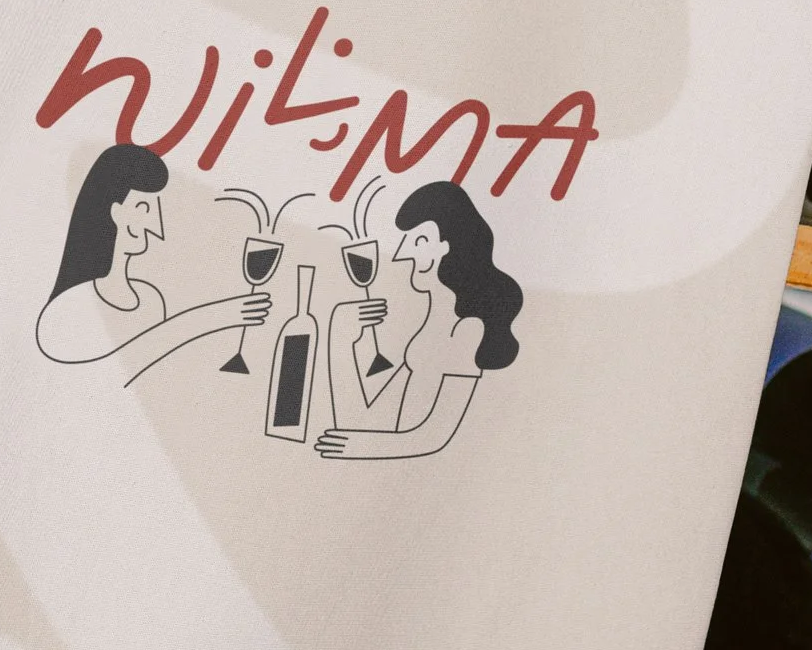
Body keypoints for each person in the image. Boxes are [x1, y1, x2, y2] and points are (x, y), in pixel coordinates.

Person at [317, 179, 521, 459]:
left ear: (450, 247)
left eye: (420, 241)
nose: (402, 254)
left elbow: (434, 436)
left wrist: (358, 447)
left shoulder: (467, 329)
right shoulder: (433, 325)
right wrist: (339, 335)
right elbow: (363, 421)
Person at [36, 142, 267, 376]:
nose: (155, 225)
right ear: (115, 211)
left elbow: (149, 374)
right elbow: (108, 370)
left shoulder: (150, 299)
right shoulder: (67, 308)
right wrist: (208, 318)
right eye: (143, 207)